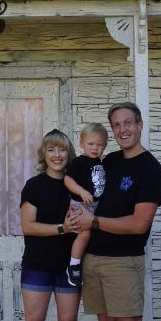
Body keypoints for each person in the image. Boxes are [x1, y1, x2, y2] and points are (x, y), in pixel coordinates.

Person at [67, 102, 161, 321]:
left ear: (140, 125)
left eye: (127, 123)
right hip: (94, 257)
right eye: (116, 125)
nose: (122, 129)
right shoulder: (107, 161)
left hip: (124, 262)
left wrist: (93, 222)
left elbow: (139, 224)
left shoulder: (150, 168)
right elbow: (87, 195)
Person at [16, 129, 85, 321]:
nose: (57, 155)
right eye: (51, 150)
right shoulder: (34, 185)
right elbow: (28, 226)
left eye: (62, 150)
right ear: (44, 155)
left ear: (69, 154)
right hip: (37, 265)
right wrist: (62, 228)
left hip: (68, 267)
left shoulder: (77, 186)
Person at [61, 122, 106, 286]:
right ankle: (73, 265)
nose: (95, 148)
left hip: (93, 206)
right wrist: (81, 191)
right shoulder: (80, 162)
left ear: (105, 146)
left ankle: (81, 262)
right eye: (90, 144)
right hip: (79, 204)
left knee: (91, 235)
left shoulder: (100, 163)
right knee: (85, 234)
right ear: (81, 144)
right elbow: (67, 179)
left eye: (99, 144)